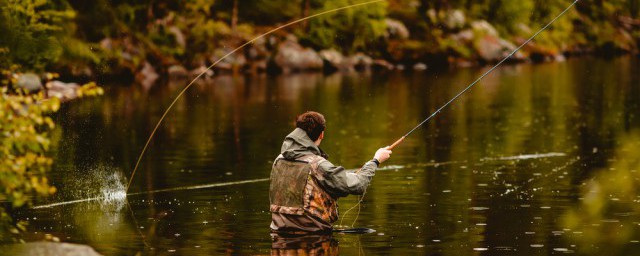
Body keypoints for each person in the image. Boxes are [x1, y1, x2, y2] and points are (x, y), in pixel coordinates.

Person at [269, 111, 392, 234]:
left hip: (278, 235)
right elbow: (358, 185)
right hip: (314, 238)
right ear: (321, 134)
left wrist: (352, 174)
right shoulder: (318, 165)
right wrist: (375, 161)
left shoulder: (279, 159)